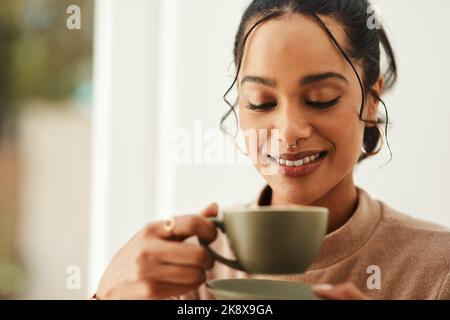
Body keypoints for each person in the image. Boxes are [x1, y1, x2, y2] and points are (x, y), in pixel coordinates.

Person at [94, 0, 450, 300]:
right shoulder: (183, 274)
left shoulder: (437, 269)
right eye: (262, 103)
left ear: (371, 100)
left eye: (321, 100)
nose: (288, 131)